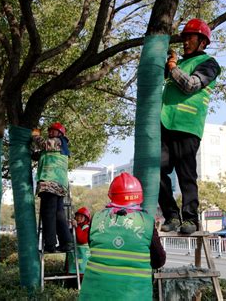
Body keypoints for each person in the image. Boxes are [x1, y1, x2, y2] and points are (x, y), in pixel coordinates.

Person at [159, 18, 221, 234]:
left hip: (188, 127)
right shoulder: (177, 64)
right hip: (167, 125)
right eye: (184, 38)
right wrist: (169, 63)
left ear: (202, 41)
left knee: (186, 175)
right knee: (156, 170)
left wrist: (173, 67)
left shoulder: (209, 63)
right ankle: (172, 215)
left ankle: (191, 219)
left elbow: (190, 85)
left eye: (190, 38)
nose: (185, 42)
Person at [79, 173, 166, 301]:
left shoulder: (97, 218)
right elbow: (159, 260)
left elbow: (93, 246)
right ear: (139, 197)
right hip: (135, 296)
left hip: (94, 295)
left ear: (111, 196)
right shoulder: (146, 221)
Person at [32, 122, 73, 253]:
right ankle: (66, 242)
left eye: (53, 131)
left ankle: (49, 245)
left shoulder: (58, 141)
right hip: (59, 185)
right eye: (49, 131)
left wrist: (35, 134)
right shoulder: (60, 147)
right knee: (58, 214)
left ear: (60, 133)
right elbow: (39, 154)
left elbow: (43, 144)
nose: (50, 133)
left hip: (50, 183)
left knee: (48, 214)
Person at [67, 207, 91, 277]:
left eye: (81, 216)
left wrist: (76, 227)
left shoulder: (87, 228)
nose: (78, 218)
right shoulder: (75, 228)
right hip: (74, 261)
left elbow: (82, 240)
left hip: (83, 264)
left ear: (86, 219)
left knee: (81, 275)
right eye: (77, 216)